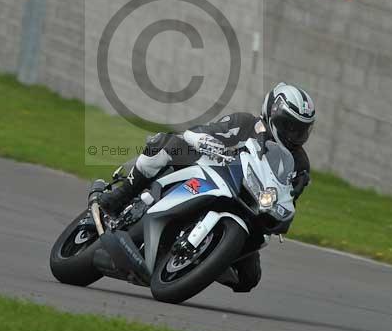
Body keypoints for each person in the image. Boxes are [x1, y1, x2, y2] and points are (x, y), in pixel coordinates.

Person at [96, 82, 315, 292]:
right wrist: (204, 139)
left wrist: (289, 203)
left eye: (301, 129)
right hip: (214, 174)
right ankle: (121, 196)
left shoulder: (300, 163)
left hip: (251, 208)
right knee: (168, 144)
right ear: (272, 114)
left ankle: (204, 261)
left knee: (248, 278)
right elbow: (201, 131)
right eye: (289, 126)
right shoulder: (246, 123)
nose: (294, 134)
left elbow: (287, 197)